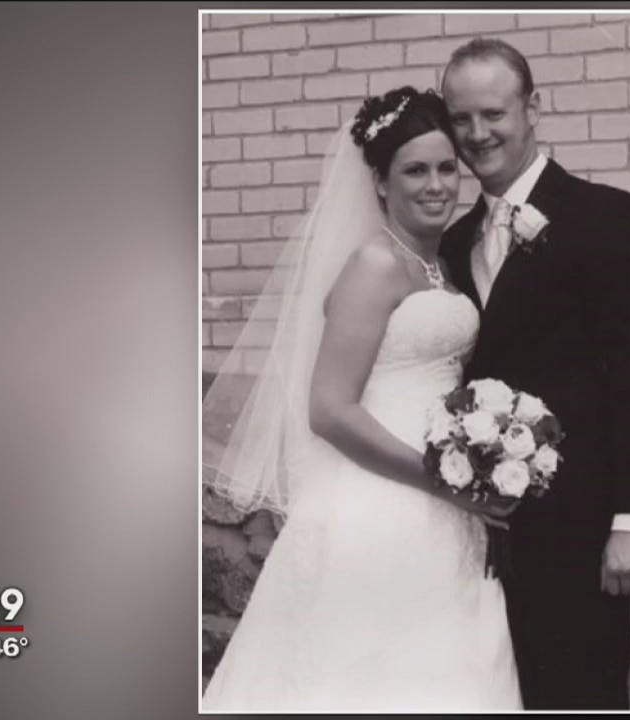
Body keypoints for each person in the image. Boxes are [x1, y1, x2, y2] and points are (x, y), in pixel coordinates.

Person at [200, 86, 523, 712]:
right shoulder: (375, 264)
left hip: (444, 509)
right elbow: (329, 409)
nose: (436, 185)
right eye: (415, 171)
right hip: (380, 506)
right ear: (379, 181)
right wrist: (443, 481)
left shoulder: (437, 267)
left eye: (446, 167)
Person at [438, 38, 630, 710]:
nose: (477, 133)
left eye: (493, 113)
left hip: (583, 532)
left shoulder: (608, 216)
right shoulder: (453, 242)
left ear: (533, 108)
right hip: (480, 539)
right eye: (461, 119)